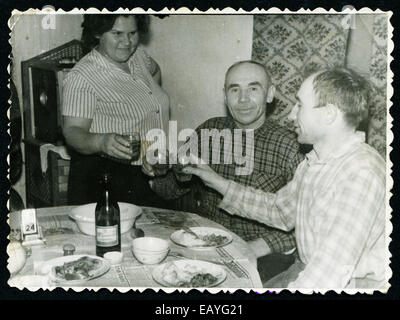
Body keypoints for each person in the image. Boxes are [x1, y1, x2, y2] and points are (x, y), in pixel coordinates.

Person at [184, 67, 387, 289]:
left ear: (328, 114)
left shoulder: (360, 172)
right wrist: (216, 182)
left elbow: (329, 272)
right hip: (306, 268)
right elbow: (278, 210)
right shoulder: (316, 162)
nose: (291, 114)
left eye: (299, 105)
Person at [150, 61, 304, 281]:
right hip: (204, 246)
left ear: (269, 94)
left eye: (253, 88)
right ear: (225, 96)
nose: (242, 99)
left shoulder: (290, 146)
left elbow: (303, 223)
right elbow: (169, 192)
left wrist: (254, 248)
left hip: (262, 254)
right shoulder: (208, 131)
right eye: (234, 89)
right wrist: (158, 170)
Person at [62, 14, 171, 207]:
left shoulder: (139, 57)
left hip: (149, 170)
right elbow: (72, 131)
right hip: (107, 177)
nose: (127, 42)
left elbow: (156, 72)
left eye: (133, 33)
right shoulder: (82, 75)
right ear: (97, 33)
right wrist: (101, 141)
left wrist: (150, 104)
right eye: (117, 33)